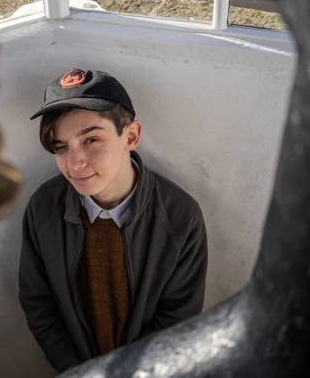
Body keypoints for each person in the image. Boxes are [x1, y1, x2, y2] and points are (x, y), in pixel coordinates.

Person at [18, 68, 208, 373]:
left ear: (130, 136)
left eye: (91, 139)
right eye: (60, 146)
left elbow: (177, 319)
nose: (74, 163)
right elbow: (39, 303)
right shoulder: (43, 208)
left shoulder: (180, 216)